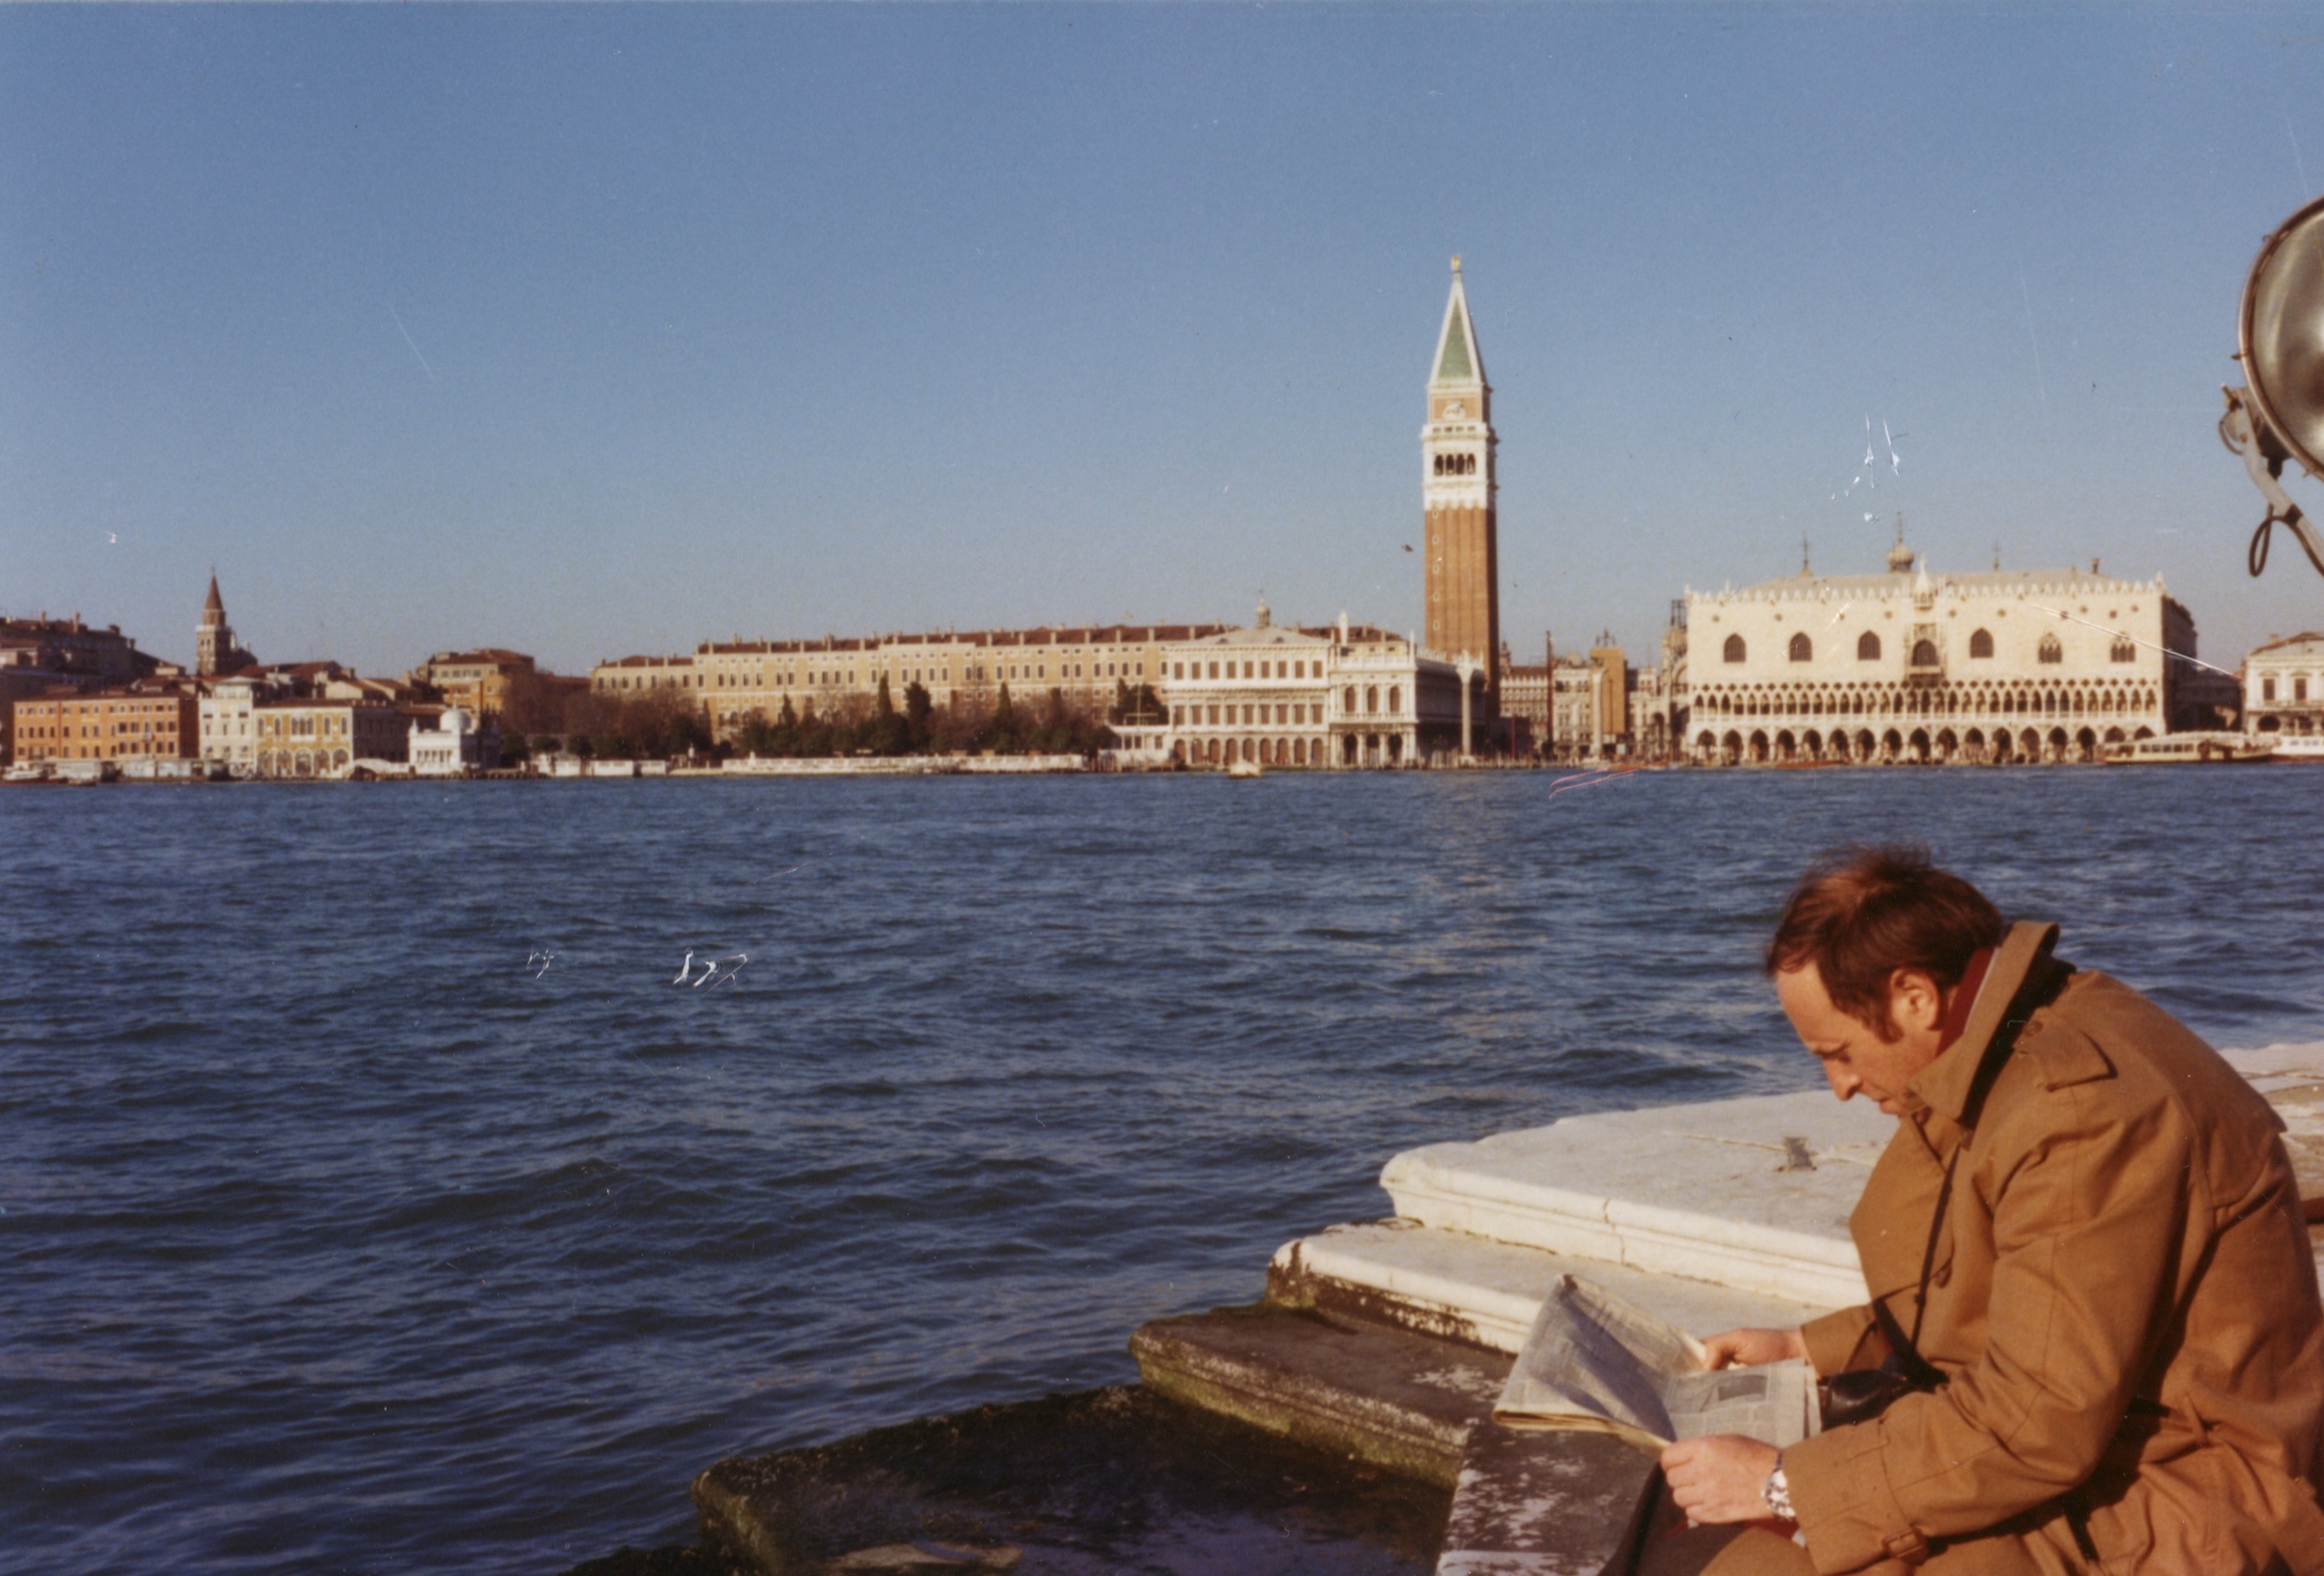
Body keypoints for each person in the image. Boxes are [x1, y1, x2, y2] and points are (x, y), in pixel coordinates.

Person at [1645, 848, 2324, 1575]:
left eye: (1838, 1052)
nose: (1838, 1085)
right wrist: (1810, 1347)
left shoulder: (2074, 1109)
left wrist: (1782, 1484)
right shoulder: (2024, 1037)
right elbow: (2013, 1291)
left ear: (1915, 996)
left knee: (1730, 1563)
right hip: (2130, 1458)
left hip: (2193, 1503)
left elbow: (2038, 1419)